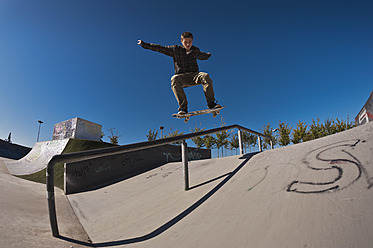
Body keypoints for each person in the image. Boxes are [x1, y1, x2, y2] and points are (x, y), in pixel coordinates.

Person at [138, 31, 221, 114]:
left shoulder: (195, 50)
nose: (188, 44)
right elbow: (160, 48)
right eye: (185, 42)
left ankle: (211, 104)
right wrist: (144, 44)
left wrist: (207, 55)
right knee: (174, 78)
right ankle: (183, 108)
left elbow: (202, 56)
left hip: (194, 76)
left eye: (190, 42)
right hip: (182, 77)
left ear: (192, 41)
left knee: (205, 76)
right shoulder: (175, 50)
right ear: (181, 41)